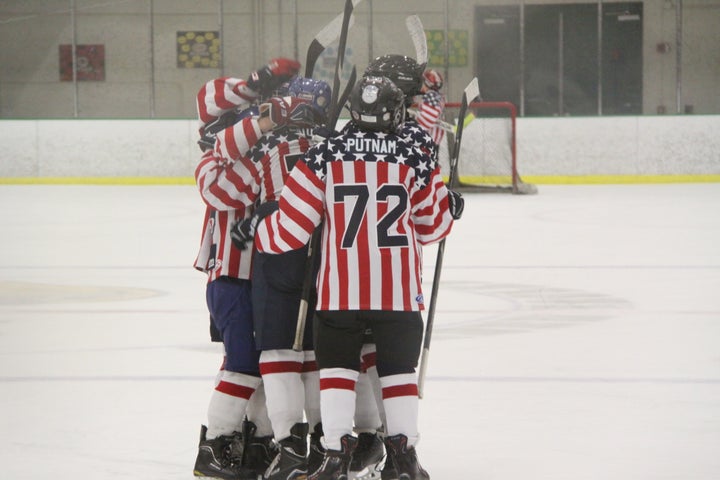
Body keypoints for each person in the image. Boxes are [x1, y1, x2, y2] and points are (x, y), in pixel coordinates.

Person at [252, 76, 465, 480]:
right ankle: (403, 458)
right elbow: (434, 227)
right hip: (398, 292)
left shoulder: (324, 154)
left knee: (336, 369)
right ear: (395, 112)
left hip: (339, 291)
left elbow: (288, 234)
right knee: (400, 371)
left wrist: (260, 225)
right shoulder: (414, 154)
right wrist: (450, 206)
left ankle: (335, 453)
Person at [191, 57, 301, 480]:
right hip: (232, 281)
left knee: (259, 362)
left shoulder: (257, 158)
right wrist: (262, 95)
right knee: (242, 363)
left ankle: (255, 442)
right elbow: (235, 190)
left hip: (256, 280)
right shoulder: (214, 164)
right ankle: (214, 446)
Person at [229, 76, 333, 480]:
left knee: (277, 354)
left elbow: (242, 191)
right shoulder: (332, 145)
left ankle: (290, 449)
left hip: (276, 248)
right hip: (324, 251)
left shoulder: (268, 145)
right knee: (315, 355)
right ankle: (329, 442)